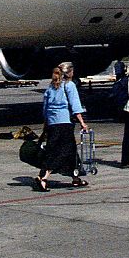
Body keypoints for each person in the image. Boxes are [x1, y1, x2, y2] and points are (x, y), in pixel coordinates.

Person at [33, 61, 90, 190]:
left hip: (52, 123)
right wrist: (82, 123)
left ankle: (75, 178)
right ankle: (44, 176)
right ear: (69, 72)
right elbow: (75, 106)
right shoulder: (69, 86)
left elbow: (45, 108)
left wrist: (46, 123)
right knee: (62, 151)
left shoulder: (51, 87)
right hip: (64, 123)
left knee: (68, 151)